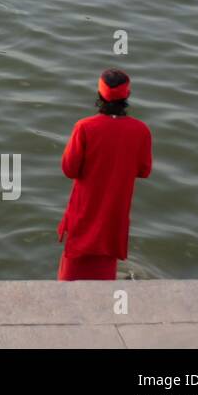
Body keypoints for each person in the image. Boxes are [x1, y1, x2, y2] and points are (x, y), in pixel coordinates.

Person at [56, 69, 152, 280]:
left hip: (85, 208)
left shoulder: (84, 127)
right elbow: (144, 170)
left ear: (99, 95)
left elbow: (69, 169)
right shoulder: (141, 130)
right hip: (115, 211)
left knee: (71, 275)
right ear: (127, 95)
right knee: (106, 268)